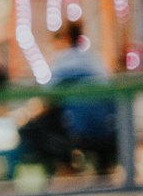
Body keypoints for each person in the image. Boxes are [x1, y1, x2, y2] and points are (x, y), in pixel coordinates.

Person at [19, 19, 117, 172]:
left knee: (32, 129)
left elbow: (48, 98)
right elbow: (109, 93)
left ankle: (62, 167)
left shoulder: (61, 62)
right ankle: (101, 165)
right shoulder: (94, 60)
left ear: (64, 39)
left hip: (75, 129)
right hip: (104, 128)